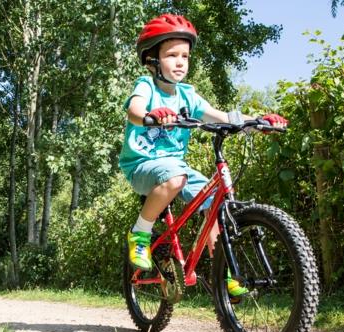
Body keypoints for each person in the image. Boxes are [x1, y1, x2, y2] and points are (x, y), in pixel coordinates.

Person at [120, 13, 287, 298]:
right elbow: (134, 111)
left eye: (185, 56)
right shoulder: (146, 86)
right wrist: (151, 115)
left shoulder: (188, 95)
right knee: (176, 179)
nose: (180, 62)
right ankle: (140, 233)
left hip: (177, 169)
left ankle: (225, 269)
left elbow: (222, 116)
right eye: (172, 55)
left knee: (216, 202)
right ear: (152, 60)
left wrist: (259, 122)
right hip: (143, 165)